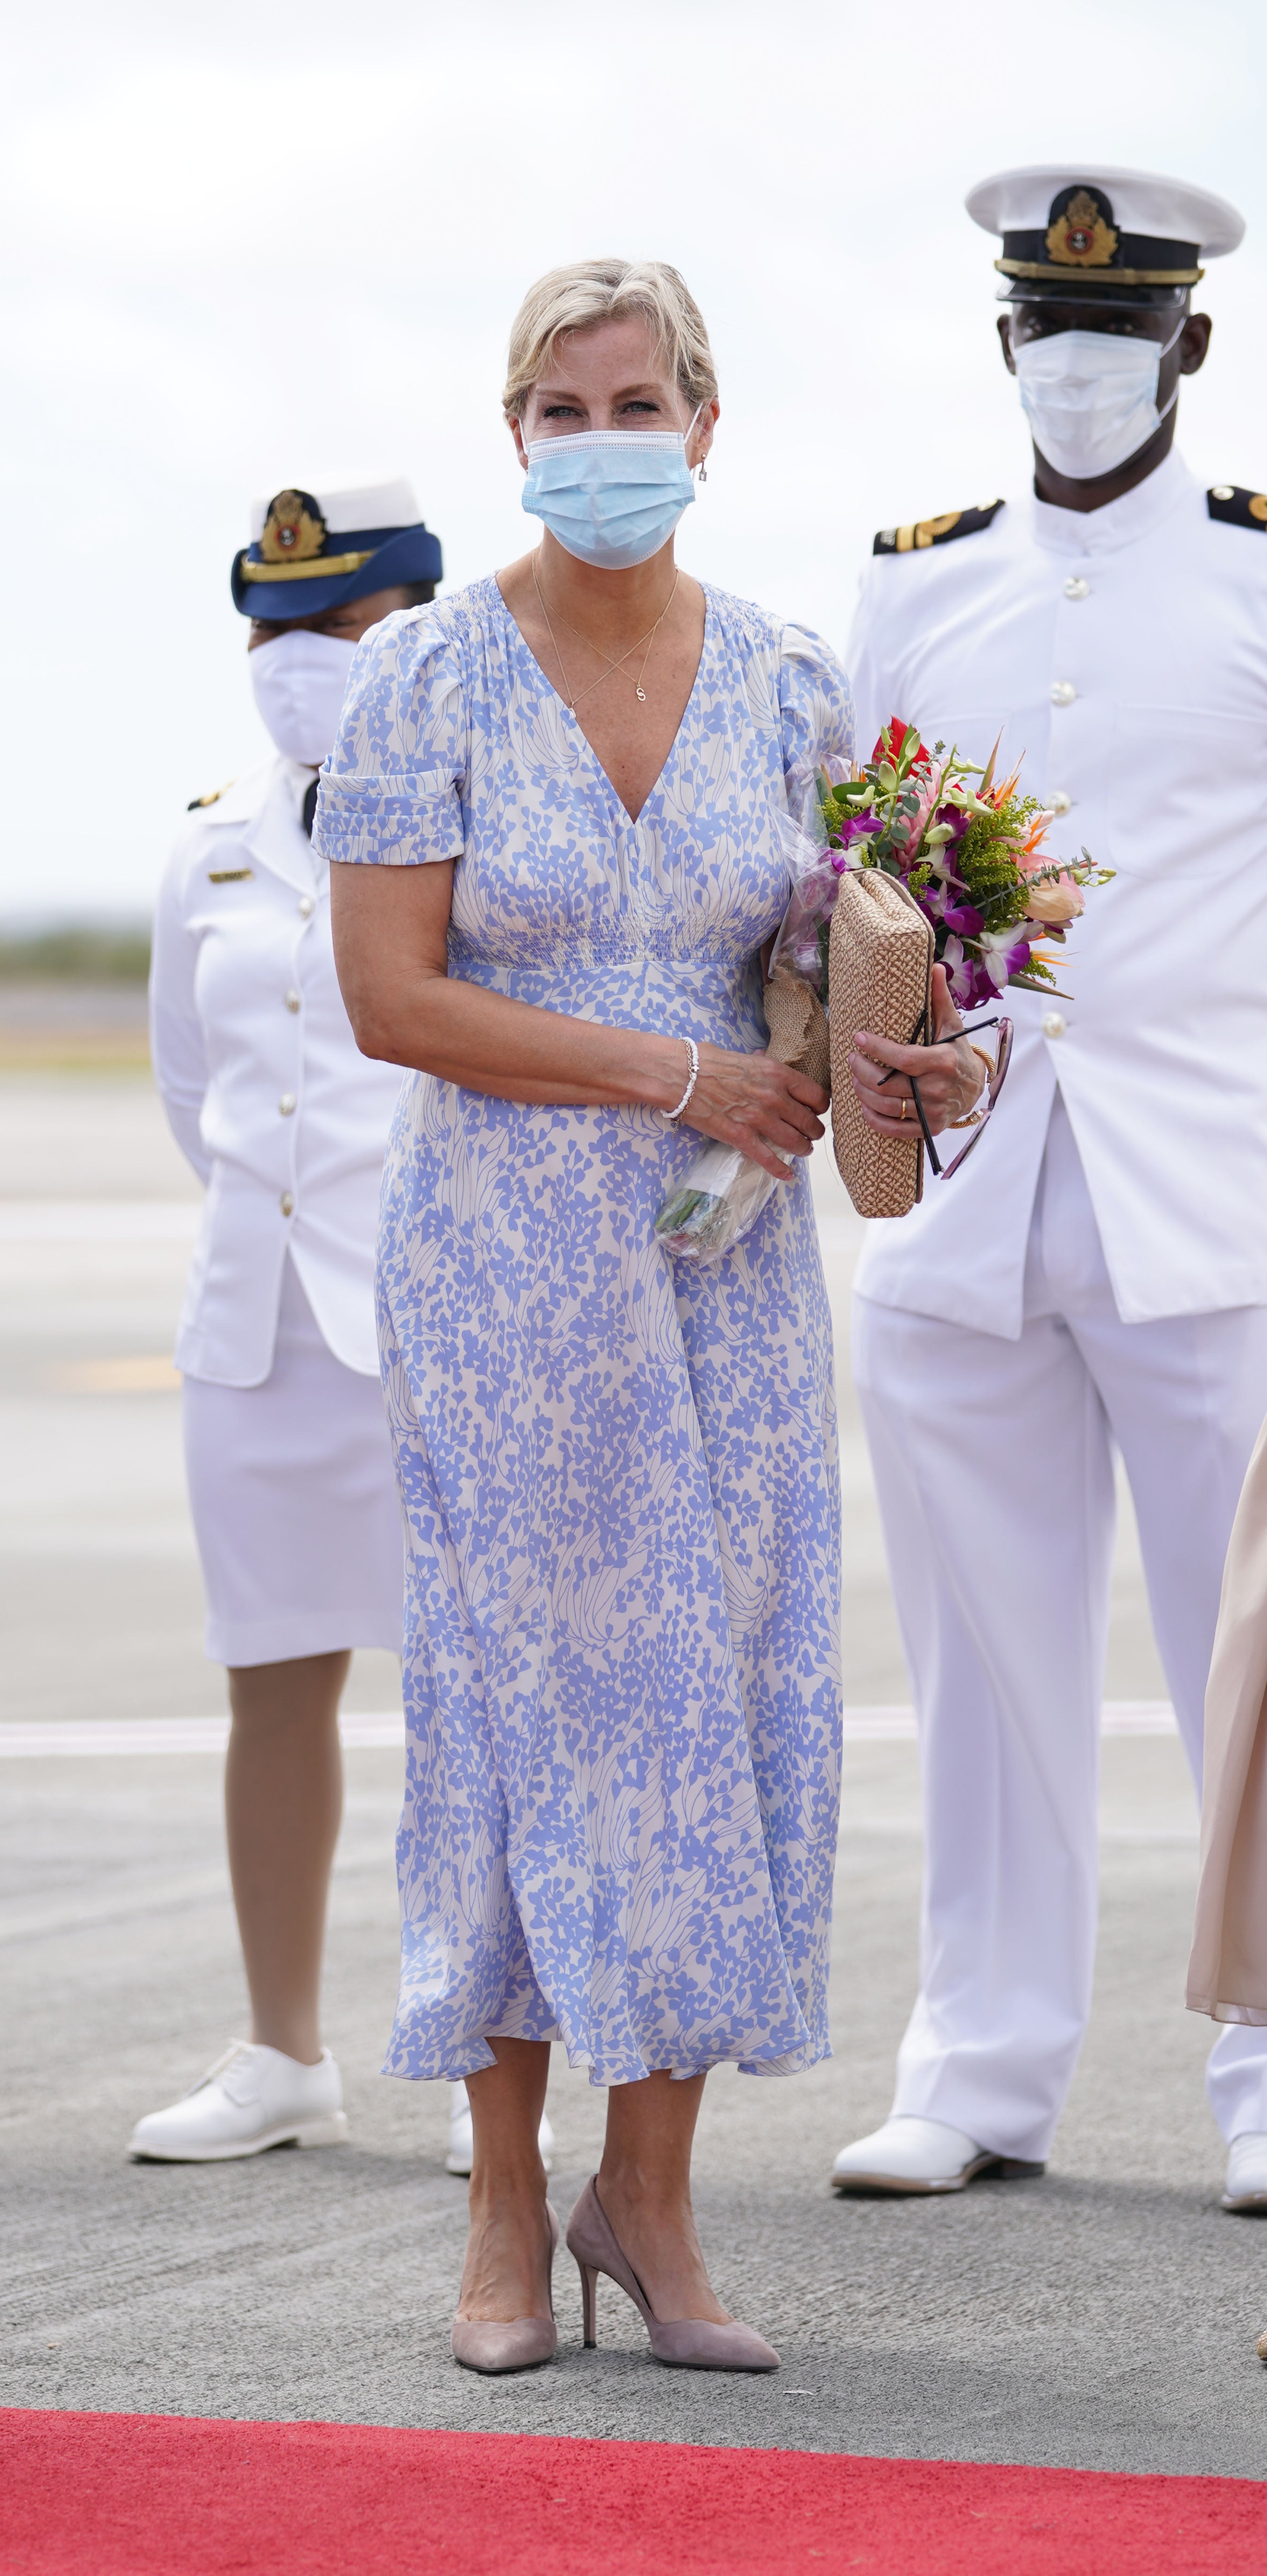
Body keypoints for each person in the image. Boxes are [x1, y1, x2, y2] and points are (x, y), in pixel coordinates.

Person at [321, 257, 983, 2375]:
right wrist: (665, 1071)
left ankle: (655, 2202)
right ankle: (505, 2213)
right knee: (521, 1716)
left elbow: (871, 961)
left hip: (724, 1280)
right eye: (563, 406)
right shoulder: (420, 676)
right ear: (515, 430)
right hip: (508, 1270)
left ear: (709, 428)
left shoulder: (797, 682)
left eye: (639, 403)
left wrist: (928, 1059)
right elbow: (387, 1000)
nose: (602, 440)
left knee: (717, 1711)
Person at [831, 167, 1267, 2213]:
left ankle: (1265, 2063)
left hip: (1214, 1187)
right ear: (1005, 343)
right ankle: (979, 2067)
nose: (1081, 362)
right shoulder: (913, 583)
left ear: (1188, 343)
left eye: (1121, 329)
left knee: (1247, 1660)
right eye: (1049, 328)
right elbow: (870, 877)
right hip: (971, 1182)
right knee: (985, 1648)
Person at [136, 481, 555, 2179]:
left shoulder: (495, 811)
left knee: (474, 1700)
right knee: (272, 1687)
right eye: (275, 630)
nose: (301, 661)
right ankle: (282, 2048)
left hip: (441, 1308)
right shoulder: (211, 835)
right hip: (257, 1327)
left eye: (343, 627)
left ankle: (483, 2060)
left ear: (423, 626)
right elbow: (193, 1088)